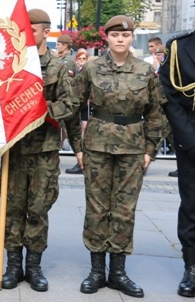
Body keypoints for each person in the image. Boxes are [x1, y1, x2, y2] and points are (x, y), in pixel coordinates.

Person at [71, 15, 166, 298]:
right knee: (97, 208)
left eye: (125, 36)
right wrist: (77, 146)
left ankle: (118, 272)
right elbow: (74, 108)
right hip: (97, 148)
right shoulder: (91, 69)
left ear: (131, 38)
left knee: (125, 209)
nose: (120, 39)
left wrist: (150, 150)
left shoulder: (144, 71)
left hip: (133, 149)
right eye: (115, 35)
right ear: (107, 38)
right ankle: (97, 270)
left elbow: (156, 113)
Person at [1, 8, 79, 292]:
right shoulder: (11, 67)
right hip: (14, 149)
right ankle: (12, 265)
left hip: (44, 149)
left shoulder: (59, 67)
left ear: (46, 32)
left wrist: (40, 110)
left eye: (31, 31)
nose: (25, 35)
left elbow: (70, 105)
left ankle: (33, 265)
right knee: (12, 208)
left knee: (38, 209)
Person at [159, 30, 195, 297]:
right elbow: (169, 96)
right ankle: (192, 268)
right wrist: (189, 141)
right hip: (191, 136)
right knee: (192, 205)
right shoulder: (179, 47)